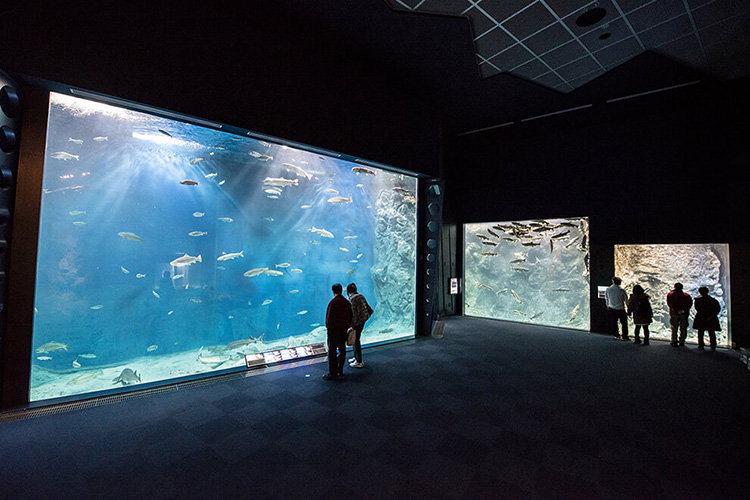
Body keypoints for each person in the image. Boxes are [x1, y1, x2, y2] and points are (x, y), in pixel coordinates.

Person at [323, 283, 352, 381]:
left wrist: (328, 327)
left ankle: (332, 373)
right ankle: (340, 369)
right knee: (342, 349)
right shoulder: (346, 302)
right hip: (343, 330)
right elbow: (350, 315)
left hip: (334, 331)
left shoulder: (333, 302)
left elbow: (329, 318)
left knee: (332, 351)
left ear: (333, 291)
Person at [346, 283, 374, 368]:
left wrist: (352, 325)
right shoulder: (361, 296)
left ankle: (359, 361)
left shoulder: (352, 299)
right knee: (356, 339)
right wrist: (364, 319)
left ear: (348, 291)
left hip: (357, 322)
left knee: (356, 340)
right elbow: (369, 309)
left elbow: (354, 314)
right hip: (362, 321)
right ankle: (356, 357)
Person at [693, 286, 721, 351]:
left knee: (701, 332)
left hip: (701, 317)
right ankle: (713, 346)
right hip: (711, 318)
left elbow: (697, 308)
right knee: (711, 332)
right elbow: (717, 309)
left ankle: (701, 345)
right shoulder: (713, 300)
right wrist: (712, 315)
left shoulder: (698, 300)